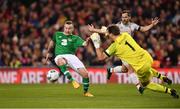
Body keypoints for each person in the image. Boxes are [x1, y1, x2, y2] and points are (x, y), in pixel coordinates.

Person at [89, 24, 179, 98]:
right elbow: (109, 31)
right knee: (145, 68)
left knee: (147, 84)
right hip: (147, 57)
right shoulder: (125, 35)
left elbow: (101, 57)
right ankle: (162, 77)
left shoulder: (114, 47)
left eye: (108, 33)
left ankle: (170, 91)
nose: (106, 34)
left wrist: (96, 44)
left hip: (141, 67)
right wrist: (95, 30)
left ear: (111, 34)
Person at [88, 10, 161, 94]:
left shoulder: (133, 26)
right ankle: (139, 87)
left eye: (125, 17)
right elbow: (106, 31)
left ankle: (110, 70)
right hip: (121, 49)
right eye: (122, 17)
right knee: (130, 69)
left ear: (129, 17)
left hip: (129, 49)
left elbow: (143, 29)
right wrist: (94, 30)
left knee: (124, 69)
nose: (124, 19)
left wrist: (152, 24)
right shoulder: (118, 26)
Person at [45, 20, 93, 97]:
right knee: (61, 61)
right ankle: (72, 80)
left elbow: (84, 44)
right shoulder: (57, 34)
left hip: (71, 56)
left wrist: (87, 41)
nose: (67, 30)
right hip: (59, 55)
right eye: (66, 28)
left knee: (85, 74)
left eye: (69, 28)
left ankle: (86, 92)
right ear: (64, 28)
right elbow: (52, 42)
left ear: (72, 29)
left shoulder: (75, 38)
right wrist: (48, 52)